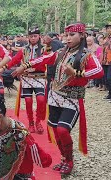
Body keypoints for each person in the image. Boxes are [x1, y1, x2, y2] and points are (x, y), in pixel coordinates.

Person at [12, 23, 104, 174]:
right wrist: (24, 65)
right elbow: (43, 59)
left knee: (62, 130)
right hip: (55, 96)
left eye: (72, 35)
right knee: (55, 129)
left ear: (81, 35)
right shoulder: (60, 52)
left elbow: (99, 71)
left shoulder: (87, 54)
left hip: (72, 99)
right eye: (66, 35)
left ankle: (69, 160)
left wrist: (76, 72)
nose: (68, 38)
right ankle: (64, 158)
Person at [4, 26, 48, 134]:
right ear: (28, 37)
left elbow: (46, 60)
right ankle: (31, 123)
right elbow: (14, 60)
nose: (33, 38)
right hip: (27, 78)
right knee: (28, 101)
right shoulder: (23, 50)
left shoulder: (45, 49)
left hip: (40, 77)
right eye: (31, 36)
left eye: (35, 36)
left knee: (41, 100)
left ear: (39, 36)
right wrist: (3, 68)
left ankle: (38, 122)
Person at [102, 22, 111, 100]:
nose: (109, 29)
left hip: (110, 61)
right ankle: (109, 94)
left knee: (109, 78)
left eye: (110, 28)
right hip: (105, 61)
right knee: (105, 78)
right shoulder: (105, 38)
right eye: (107, 28)